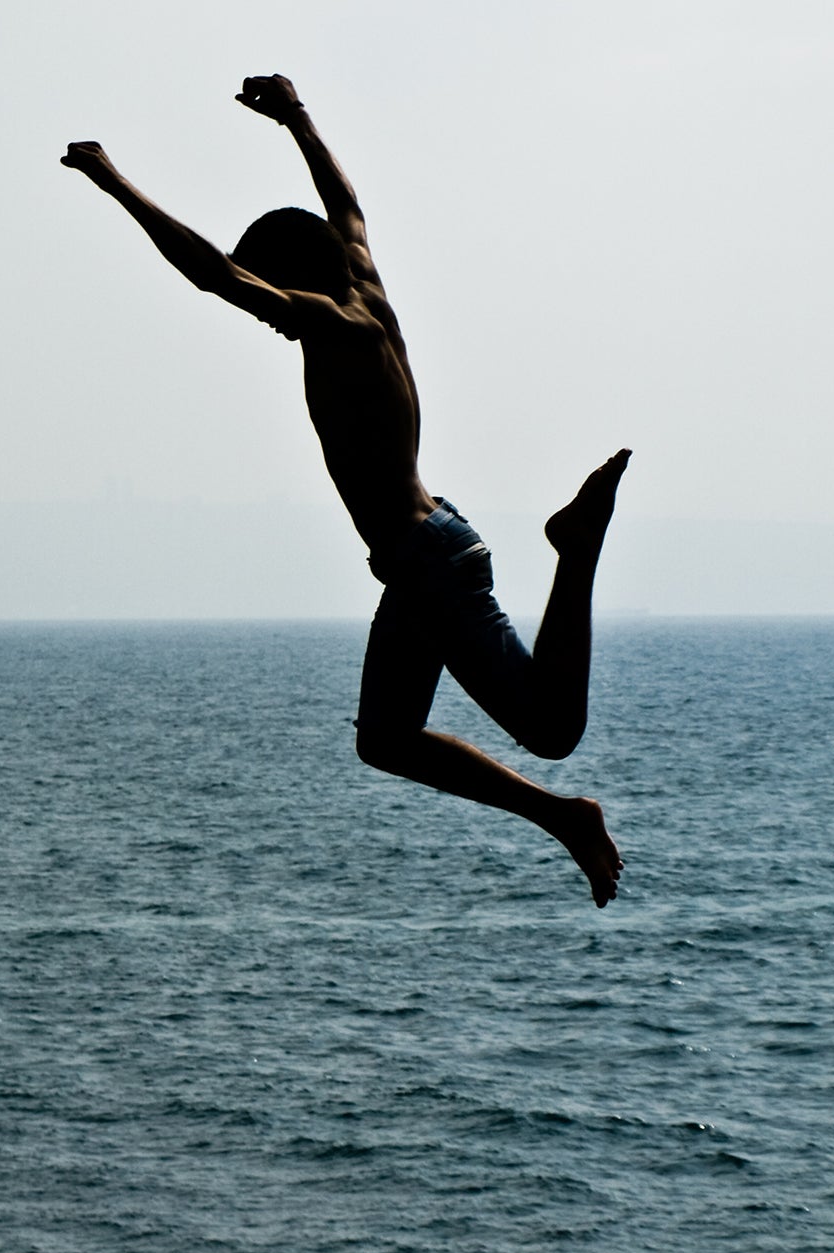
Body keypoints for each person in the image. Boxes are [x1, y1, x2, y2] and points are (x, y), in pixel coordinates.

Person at [62, 74, 628, 906]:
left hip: (429, 560)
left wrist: (116, 184)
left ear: (296, 282)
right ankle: (562, 817)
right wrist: (297, 117)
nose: (273, 319)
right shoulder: (364, 283)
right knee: (384, 741)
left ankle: (574, 557)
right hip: (423, 551)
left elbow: (215, 274)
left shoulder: (335, 322)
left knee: (550, 728)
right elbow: (346, 203)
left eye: (276, 299)